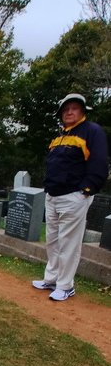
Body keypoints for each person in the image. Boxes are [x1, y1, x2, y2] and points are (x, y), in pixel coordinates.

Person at [32, 93, 108, 301]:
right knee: (53, 240)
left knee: (69, 243)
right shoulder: (60, 137)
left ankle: (66, 285)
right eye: (65, 109)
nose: (69, 112)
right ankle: (51, 279)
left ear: (82, 111)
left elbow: (100, 162)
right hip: (53, 195)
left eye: (73, 108)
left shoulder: (92, 132)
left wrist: (86, 190)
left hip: (74, 195)